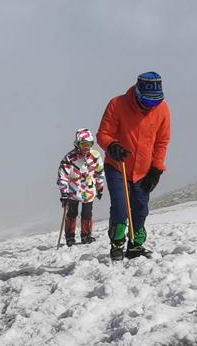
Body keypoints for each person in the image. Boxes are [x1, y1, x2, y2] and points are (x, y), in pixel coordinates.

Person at [97, 71, 171, 260]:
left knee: (140, 209)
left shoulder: (162, 109)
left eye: (156, 101)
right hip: (117, 165)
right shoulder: (117, 104)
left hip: (144, 170)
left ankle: (135, 246)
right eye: (148, 101)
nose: (151, 106)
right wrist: (112, 146)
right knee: (121, 209)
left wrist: (157, 168)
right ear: (138, 93)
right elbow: (103, 134)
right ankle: (117, 243)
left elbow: (162, 142)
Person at [57, 128, 105, 246]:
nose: (86, 148)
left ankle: (86, 235)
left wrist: (100, 187)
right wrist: (64, 192)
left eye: (89, 144)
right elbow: (62, 176)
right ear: (77, 144)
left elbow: (100, 172)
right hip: (73, 190)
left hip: (88, 190)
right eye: (83, 144)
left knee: (87, 213)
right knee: (72, 213)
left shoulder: (95, 156)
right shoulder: (69, 158)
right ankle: (70, 237)